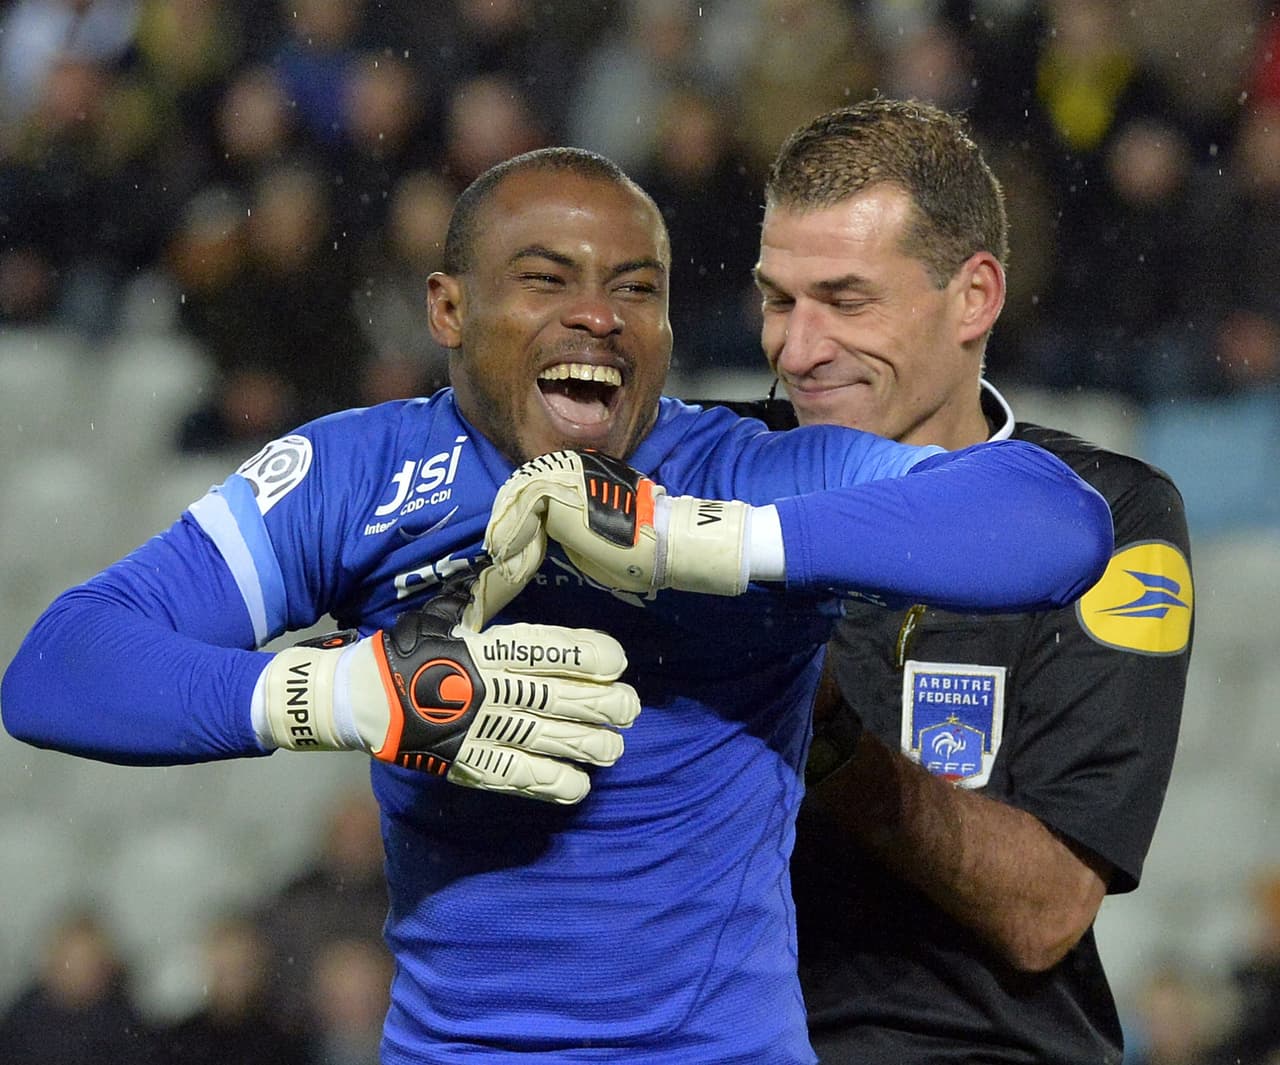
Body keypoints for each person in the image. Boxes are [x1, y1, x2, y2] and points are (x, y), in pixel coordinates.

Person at [1, 146, 1113, 1062]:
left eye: (636, 288)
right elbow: (60, 667)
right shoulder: (360, 476)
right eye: (546, 279)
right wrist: (349, 693)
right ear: (447, 307)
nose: (598, 317)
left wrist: (687, 538)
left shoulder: (741, 473)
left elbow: (1055, 524)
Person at [750, 99, 1191, 1062]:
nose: (796, 349)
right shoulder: (705, 477)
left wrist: (819, 731)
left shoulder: (1112, 517)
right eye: (779, 300)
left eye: (846, 299)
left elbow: (1043, 911)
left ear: (974, 297)